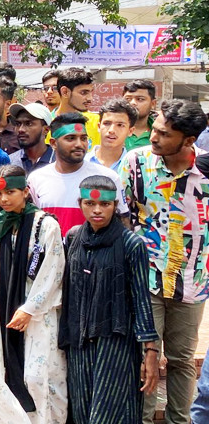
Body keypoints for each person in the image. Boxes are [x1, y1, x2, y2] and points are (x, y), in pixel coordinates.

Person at [120, 99, 209, 424]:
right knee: (145, 356)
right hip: (145, 279)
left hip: (193, 282)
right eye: (154, 129)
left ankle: (178, 420)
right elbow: (123, 216)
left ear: (188, 140)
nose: (154, 138)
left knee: (183, 361)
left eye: (164, 134)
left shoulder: (207, 171)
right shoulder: (136, 162)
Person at [60, 175, 159, 424]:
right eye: (89, 204)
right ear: (80, 203)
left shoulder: (131, 244)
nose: (96, 210)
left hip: (116, 341)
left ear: (115, 205)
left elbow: (141, 298)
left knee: (109, 413)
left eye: (105, 205)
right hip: (79, 340)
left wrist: (150, 350)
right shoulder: (73, 238)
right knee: (81, 412)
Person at [0, 165, 67, 424]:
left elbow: (52, 270)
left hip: (38, 314)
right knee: (0, 371)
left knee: (38, 375)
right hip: (5, 308)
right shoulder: (3, 223)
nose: (4, 199)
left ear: (26, 192)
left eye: (11, 192)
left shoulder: (46, 225)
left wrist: (30, 309)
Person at [28, 112, 128, 236]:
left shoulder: (108, 177)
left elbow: (123, 221)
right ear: (53, 143)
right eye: (71, 138)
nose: (79, 144)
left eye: (83, 138)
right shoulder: (36, 179)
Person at [85, 98, 137, 172]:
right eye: (107, 123)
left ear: (130, 131)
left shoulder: (135, 167)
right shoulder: (81, 163)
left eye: (120, 125)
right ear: (99, 127)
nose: (112, 130)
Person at [54, 67, 100, 147]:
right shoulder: (45, 124)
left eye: (90, 92)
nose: (90, 98)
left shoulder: (97, 123)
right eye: (84, 92)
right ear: (65, 92)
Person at [7, 103, 55, 175]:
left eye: (28, 123)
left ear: (46, 130)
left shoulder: (59, 162)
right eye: (18, 124)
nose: (21, 129)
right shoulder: (10, 162)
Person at [123, 79, 157, 151]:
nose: (133, 103)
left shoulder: (159, 133)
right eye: (128, 99)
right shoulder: (111, 130)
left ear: (153, 104)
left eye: (140, 99)